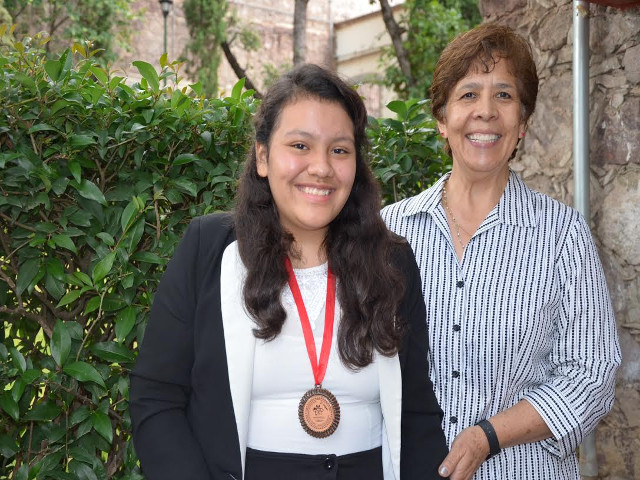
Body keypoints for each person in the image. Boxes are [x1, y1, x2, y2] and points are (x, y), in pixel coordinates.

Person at [130, 63, 448, 480]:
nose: (321, 167)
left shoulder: (392, 264)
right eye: (300, 145)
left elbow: (417, 413)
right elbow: (156, 399)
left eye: (339, 149)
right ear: (263, 156)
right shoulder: (208, 250)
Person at [381, 23, 621, 480]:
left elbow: (592, 373)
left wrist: (487, 435)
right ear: (441, 119)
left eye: (504, 96)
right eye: (468, 94)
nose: (486, 112)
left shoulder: (560, 235)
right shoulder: (389, 230)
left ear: (523, 125)